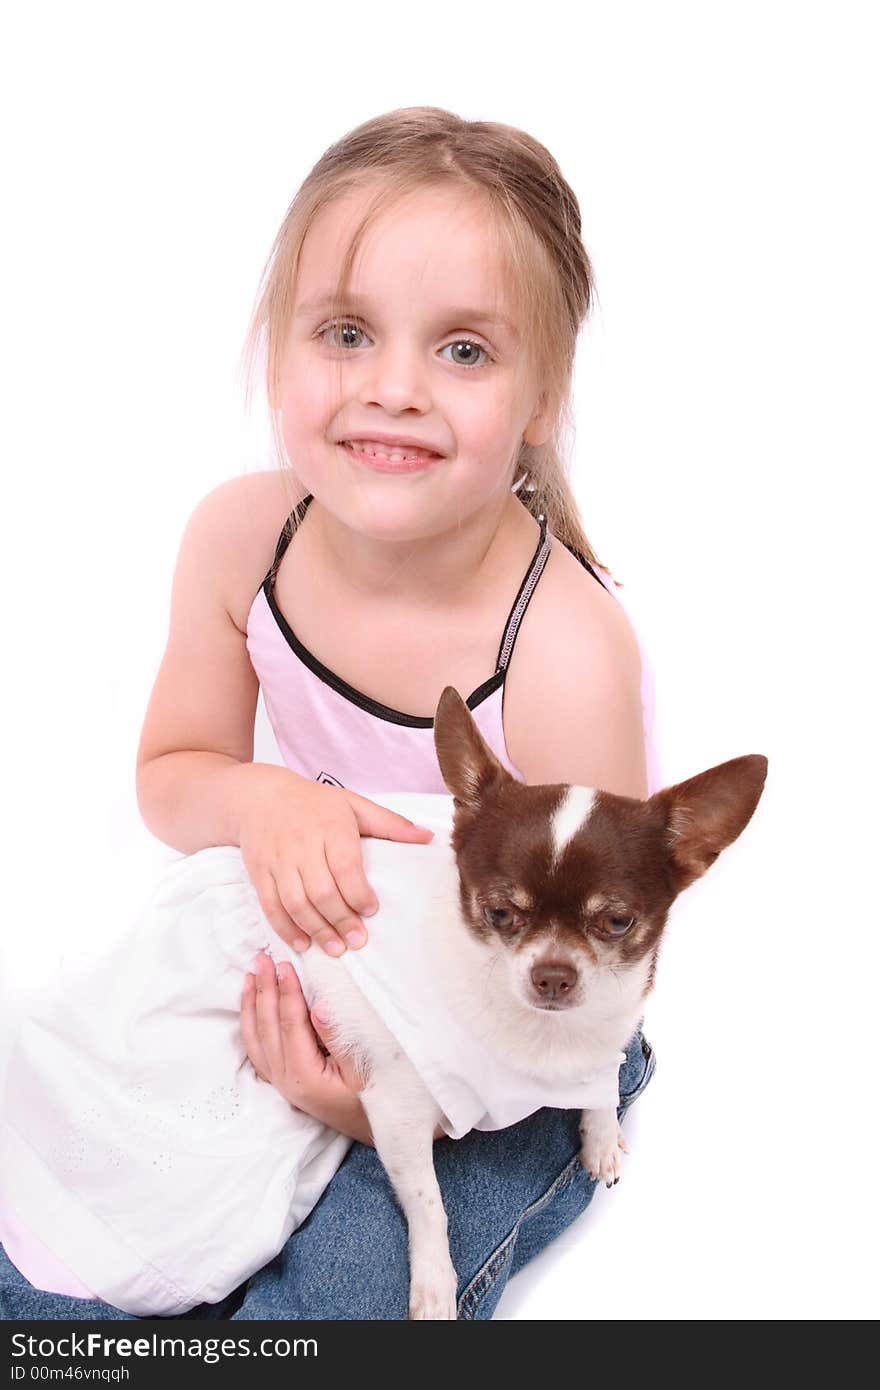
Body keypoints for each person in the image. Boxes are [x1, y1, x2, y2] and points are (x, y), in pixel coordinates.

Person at [0, 106, 659, 1321]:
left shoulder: (563, 650)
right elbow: (174, 771)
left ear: (540, 393)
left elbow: (607, 957)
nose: (393, 389)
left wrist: (366, 1106)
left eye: (463, 350)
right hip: (321, 961)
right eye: (347, 333)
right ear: (276, 351)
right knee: (59, 1163)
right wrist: (268, 799)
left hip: (512, 1040)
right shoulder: (244, 539)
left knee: (345, 1300)